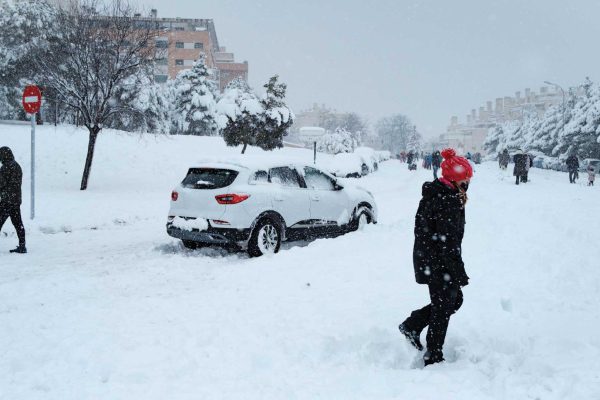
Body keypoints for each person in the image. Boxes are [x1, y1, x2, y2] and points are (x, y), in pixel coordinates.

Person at [398, 148, 472, 366]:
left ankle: (413, 325)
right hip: (438, 262)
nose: (468, 180)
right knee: (444, 306)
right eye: (466, 176)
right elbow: (447, 243)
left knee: (450, 301)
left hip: (433, 260)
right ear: (456, 178)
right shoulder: (446, 200)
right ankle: (433, 353)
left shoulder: (443, 193)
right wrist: (459, 272)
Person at [0, 147, 26, 253]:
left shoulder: (6, 167)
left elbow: (1, 183)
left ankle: (22, 246)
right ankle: (22, 246)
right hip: (15, 200)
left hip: (7, 200)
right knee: (17, 223)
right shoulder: (16, 165)